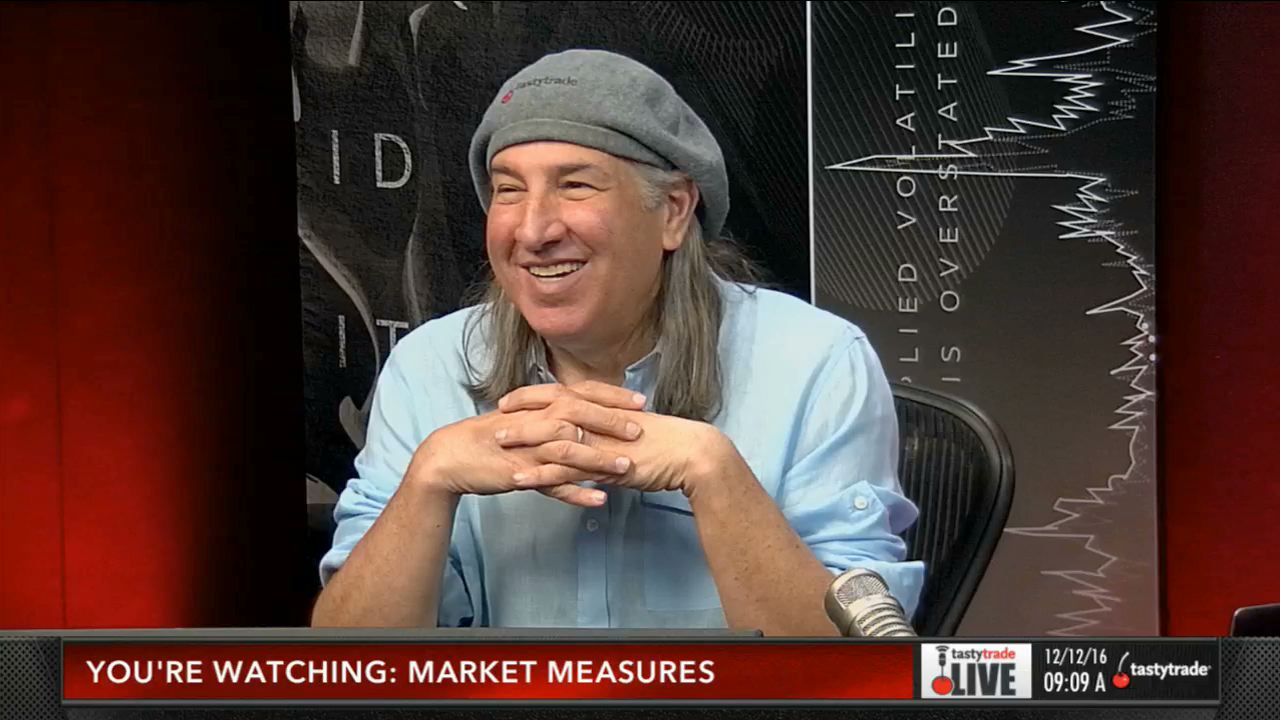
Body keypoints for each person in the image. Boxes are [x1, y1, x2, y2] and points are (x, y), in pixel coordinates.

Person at [312, 49, 924, 635]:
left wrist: (714, 475)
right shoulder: (428, 367)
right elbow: (350, 672)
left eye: (576, 185)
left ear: (673, 212)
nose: (533, 229)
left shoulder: (816, 363)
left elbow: (854, 670)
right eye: (509, 190)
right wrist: (429, 481)